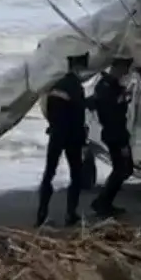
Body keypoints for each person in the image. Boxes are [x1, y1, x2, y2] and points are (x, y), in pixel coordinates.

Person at [36, 52, 89, 227]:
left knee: (49, 174)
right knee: (76, 175)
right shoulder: (76, 87)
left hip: (56, 135)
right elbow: (78, 115)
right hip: (72, 137)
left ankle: (41, 213)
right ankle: (70, 214)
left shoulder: (56, 86)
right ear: (78, 67)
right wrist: (82, 137)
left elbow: (49, 110)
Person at [91, 56, 134, 217]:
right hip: (115, 134)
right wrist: (122, 142)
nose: (126, 73)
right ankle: (103, 202)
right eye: (124, 69)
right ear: (116, 68)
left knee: (122, 169)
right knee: (123, 168)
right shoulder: (107, 88)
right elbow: (112, 116)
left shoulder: (109, 85)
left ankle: (104, 202)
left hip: (114, 133)